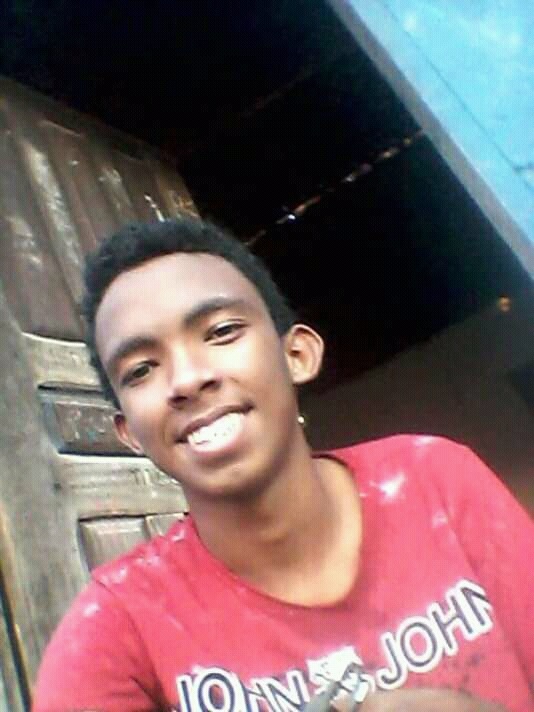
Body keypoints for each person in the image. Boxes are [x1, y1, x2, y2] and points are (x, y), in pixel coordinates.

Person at [33, 217, 533, 712]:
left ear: (297, 354)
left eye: (222, 332)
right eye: (141, 369)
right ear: (129, 433)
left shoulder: (431, 478)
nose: (186, 380)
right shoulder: (117, 627)